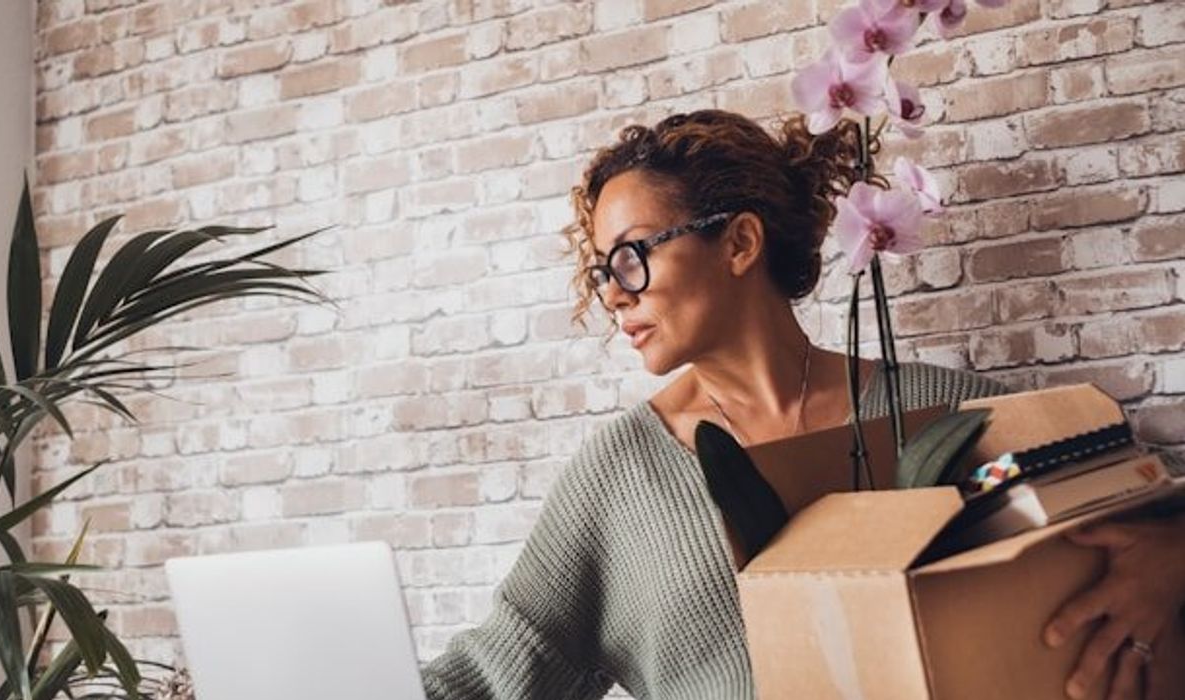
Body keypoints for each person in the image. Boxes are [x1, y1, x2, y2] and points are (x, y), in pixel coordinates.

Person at [417, 109, 1185, 700]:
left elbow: (1139, 504)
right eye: (599, 271)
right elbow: (495, 672)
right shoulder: (620, 479)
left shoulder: (946, 410)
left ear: (739, 244)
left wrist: (1171, 560)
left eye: (630, 255)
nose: (613, 291)